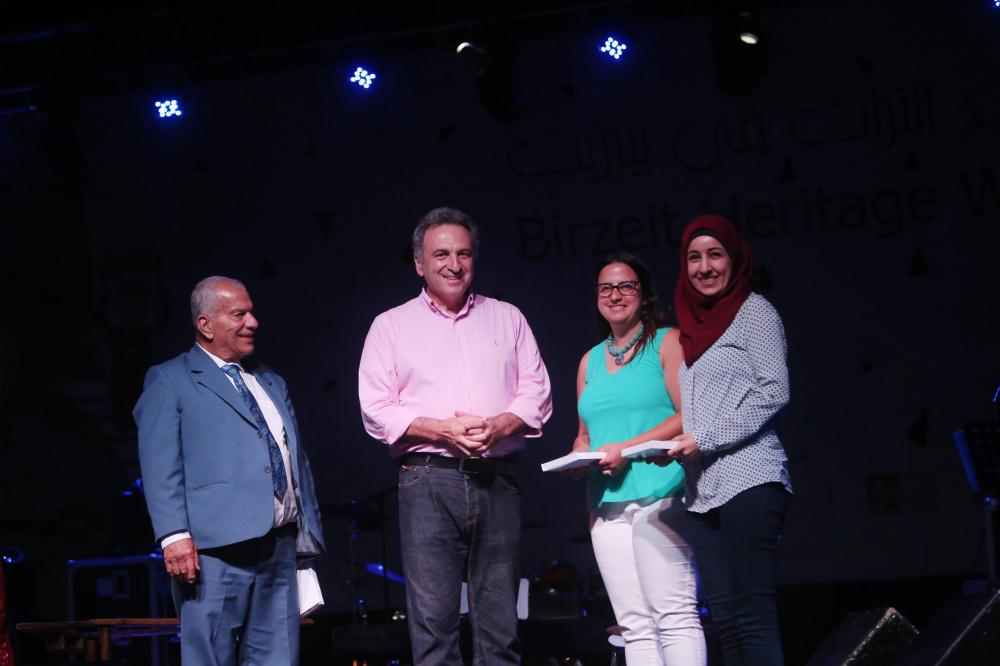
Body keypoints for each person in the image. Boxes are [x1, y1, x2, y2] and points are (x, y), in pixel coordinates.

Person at [358, 207, 553, 665]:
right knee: (434, 629)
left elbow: (537, 392)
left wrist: (499, 425)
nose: (454, 264)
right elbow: (376, 408)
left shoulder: (507, 317)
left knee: (500, 629)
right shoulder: (391, 326)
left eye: (463, 254)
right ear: (419, 263)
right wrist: (443, 430)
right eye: (441, 254)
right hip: (427, 479)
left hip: (497, 476)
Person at [134, 276, 325, 665]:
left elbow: (296, 458)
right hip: (213, 551)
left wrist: (307, 535)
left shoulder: (270, 380)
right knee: (211, 655)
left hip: (279, 544)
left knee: (278, 657)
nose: (253, 322)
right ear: (205, 325)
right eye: (239, 314)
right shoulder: (170, 380)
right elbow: (159, 464)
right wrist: (173, 535)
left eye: (251, 313)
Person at [667, 215, 793, 665]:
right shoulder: (689, 330)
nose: (704, 267)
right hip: (703, 492)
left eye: (715, 255)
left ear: (734, 258)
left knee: (753, 616)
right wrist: (674, 448)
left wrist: (704, 439)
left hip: (750, 479)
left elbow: (774, 391)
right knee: (725, 621)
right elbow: (703, 410)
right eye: (694, 257)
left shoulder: (754, 311)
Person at [570, 252, 706, 665]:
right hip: (606, 503)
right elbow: (585, 435)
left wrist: (627, 449)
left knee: (674, 615)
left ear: (643, 294)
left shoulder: (667, 342)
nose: (615, 295)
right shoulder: (589, 361)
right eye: (605, 288)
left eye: (625, 286)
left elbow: (688, 414)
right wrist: (577, 456)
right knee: (634, 627)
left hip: (661, 492)